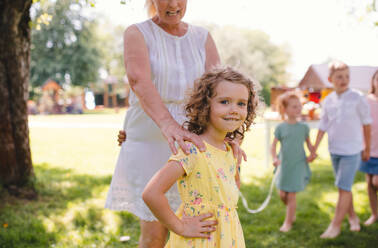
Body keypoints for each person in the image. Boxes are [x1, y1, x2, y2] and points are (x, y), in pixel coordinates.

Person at [105, 1, 245, 247]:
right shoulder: (137, 32)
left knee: (202, 220)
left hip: (199, 136)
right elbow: (138, 81)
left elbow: (220, 88)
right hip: (152, 133)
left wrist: (232, 134)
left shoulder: (202, 37)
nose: (173, 4)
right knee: (156, 231)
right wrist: (169, 125)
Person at [142, 67, 259, 247]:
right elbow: (151, 193)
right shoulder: (194, 150)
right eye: (225, 101)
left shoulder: (229, 150)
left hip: (227, 237)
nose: (234, 109)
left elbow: (231, 191)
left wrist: (234, 162)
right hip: (199, 240)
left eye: (241, 104)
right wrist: (180, 227)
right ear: (206, 105)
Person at [312, 61, 372, 238]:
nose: (344, 80)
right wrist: (314, 148)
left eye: (347, 76)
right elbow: (322, 126)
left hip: (352, 151)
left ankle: (335, 226)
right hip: (334, 150)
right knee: (343, 187)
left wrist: (367, 148)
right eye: (339, 77)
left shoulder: (357, 97)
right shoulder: (328, 100)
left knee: (343, 187)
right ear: (330, 79)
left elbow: (367, 124)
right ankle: (353, 217)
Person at [270, 91, 316, 232]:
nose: (298, 109)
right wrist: (274, 158)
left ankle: (288, 222)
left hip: (298, 164)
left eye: (299, 106)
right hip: (284, 165)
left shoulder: (303, 127)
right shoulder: (280, 128)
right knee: (283, 194)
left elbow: (309, 144)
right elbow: (273, 146)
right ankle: (291, 210)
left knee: (291, 195)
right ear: (285, 109)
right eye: (294, 106)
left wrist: (312, 153)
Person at [359, 69, 378, 226]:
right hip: (368, 148)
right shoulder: (366, 101)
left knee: (376, 181)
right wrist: (362, 146)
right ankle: (374, 214)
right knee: (369, 183)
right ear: (373, 81)